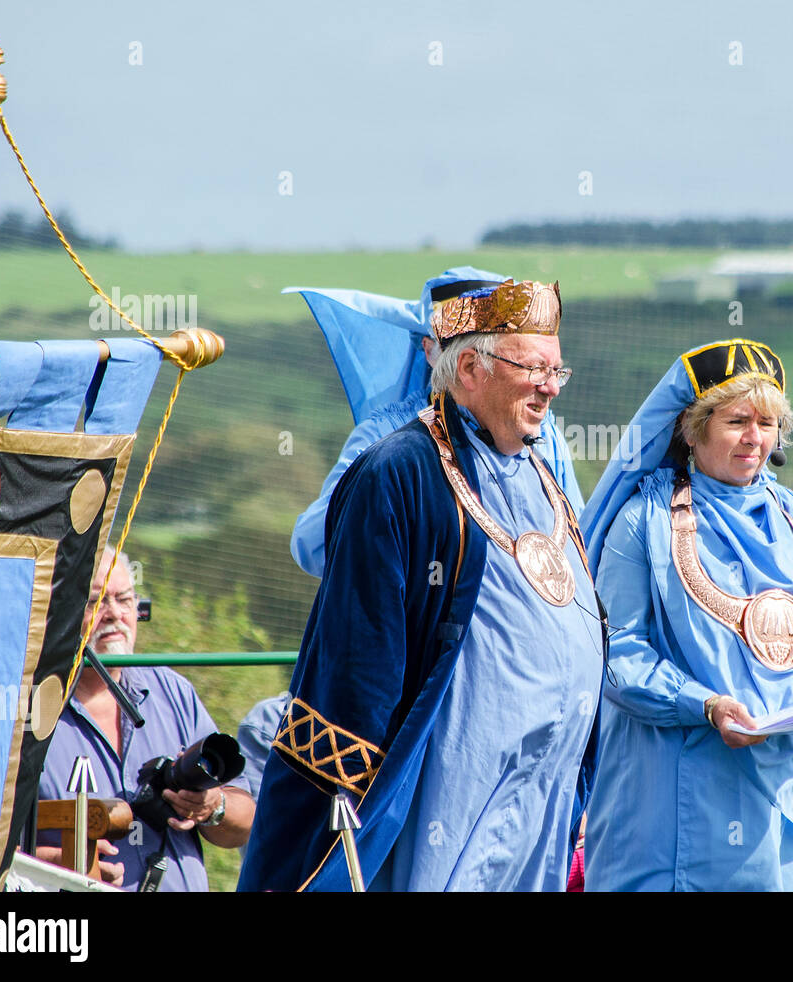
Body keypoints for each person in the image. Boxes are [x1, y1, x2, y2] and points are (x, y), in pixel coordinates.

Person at [239, 279, 604, 892]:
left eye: (557, 370)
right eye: (533, 368)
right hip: (449, 781)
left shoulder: (541, 468)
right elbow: (360, 652)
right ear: (469, 368)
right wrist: (350, 798)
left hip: (544, 783)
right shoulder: (396, 470)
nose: (549, 387)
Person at [579, 338, 793, 891]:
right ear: (693, 428)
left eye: (767, 423)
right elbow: (615, 652)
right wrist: (703, 704)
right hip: (677, 797)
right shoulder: (643, 521)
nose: (755, 439)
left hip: (789, 795)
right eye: (737, 421)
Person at [290, 268, 583, 578]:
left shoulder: (543, 431)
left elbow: (579, 540)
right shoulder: (387, 435)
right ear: (429, 350)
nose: (549, 387)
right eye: (452, 345)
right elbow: (313, 544)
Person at [36, 547, 253, 891]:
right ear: (56, 613)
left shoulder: (173, 691)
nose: (114, 614)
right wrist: (42, 864)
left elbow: (245, 823)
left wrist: (211, 806)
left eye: (124, 599)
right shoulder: (26, 709)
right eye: (95, 602)